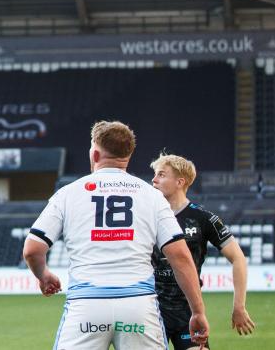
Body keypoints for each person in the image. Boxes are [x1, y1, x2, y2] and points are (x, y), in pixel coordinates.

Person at [22, 121, 210, 350]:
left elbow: (32, 250)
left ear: (95, 153)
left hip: (87, 307)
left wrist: (44, 275)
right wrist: (197, 311)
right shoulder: (151, 196)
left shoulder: (68, 194)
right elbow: (180, 256)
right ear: (128, 156)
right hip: (139, 306)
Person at [150, 153, 256, 349]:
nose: (154, 180)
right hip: (151, 312)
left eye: (161, 175)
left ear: (180, 182)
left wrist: (239, 306)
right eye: (155, 174)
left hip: (190, 312)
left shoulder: (203, 218)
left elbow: (238, 258)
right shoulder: (146, 215)